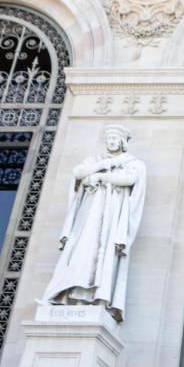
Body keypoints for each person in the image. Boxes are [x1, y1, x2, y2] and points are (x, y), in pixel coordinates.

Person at [43, 125, 146, 322]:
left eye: (115, 138)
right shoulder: (96, 160)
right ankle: (70, 296)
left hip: (111, 220)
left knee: (104, 258)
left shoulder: (131, 163)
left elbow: (130, 178)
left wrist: (101, 177)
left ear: (123, 142)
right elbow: (78, 172)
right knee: (82, 253)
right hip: (89, 216)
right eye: (109, 138)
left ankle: (99, 299)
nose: (111, 141)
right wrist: (99, 168)